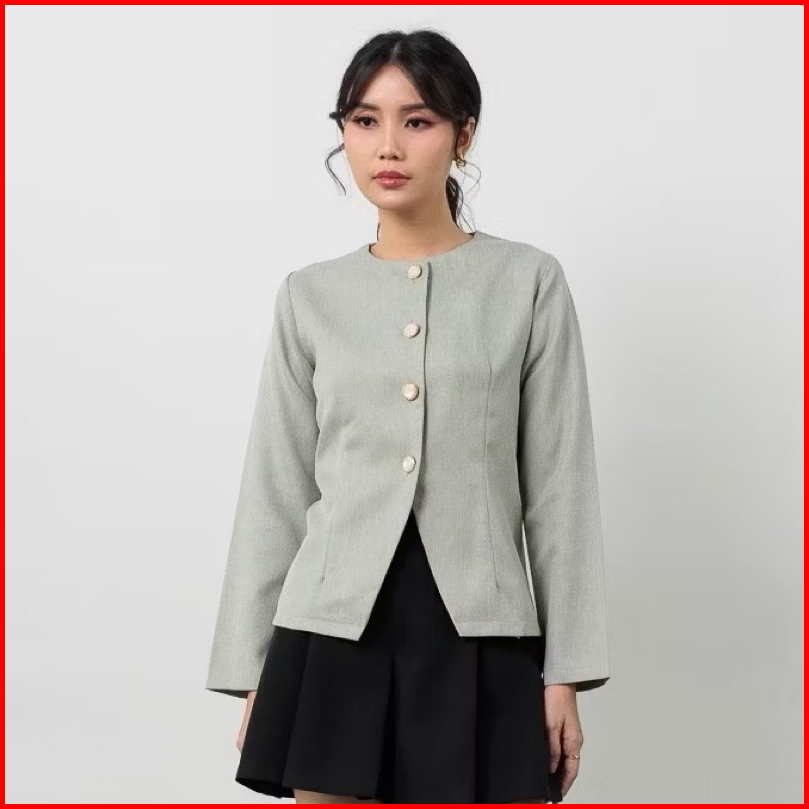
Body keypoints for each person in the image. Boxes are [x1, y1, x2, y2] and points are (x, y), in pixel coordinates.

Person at [206, 28, 611, 804]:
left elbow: (560, 490)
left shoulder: (527, 283)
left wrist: (563, 671)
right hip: (328, 632)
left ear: (463, 135)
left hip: (480, 631)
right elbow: (274, 489)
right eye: (364, 120)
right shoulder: (308, 296)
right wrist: (255, 672)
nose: (387, 145)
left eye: (416, 120)